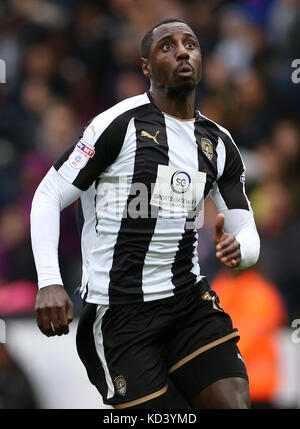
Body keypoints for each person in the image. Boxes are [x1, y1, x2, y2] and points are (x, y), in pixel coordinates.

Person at [30, 18, 260, 409]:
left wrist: (242, 250)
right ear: (146, 67)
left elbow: (245, 227)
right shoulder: (116, 125)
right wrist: (50, 281)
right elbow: (49, 194)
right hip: (121, 315)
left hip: (188, 302)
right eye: (167, 46)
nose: (183, 51)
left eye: (190, 44)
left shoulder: (218, 143)